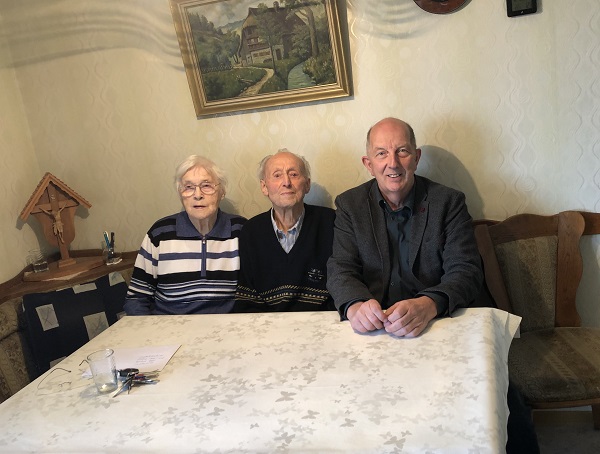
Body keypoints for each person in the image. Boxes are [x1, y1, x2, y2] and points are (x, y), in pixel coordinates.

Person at [327, 117, 539, 453]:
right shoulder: (350, 205)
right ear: (368, 164)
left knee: (500, 403)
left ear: (417, 156)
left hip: (444, 322)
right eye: (381, 154)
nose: (392, 163)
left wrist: (430, 304)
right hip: (380, 332)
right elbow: (340, 268)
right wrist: (354, 303)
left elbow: (466, 271)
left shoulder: (448, 201)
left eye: (402, 152)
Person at [124, 155, 246, 315]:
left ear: (221, 192)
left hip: (226, 330)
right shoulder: (160, 233)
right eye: (188, 187)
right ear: (180, 193)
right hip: (169, 330)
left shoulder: (241, 230)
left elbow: (256, 293)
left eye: (206, 186)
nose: (198, 195)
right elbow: (137, 298)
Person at [233, 149, 335, 312]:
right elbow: (247, 300)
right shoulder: (251, 231)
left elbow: (343, 286)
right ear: (264, 187)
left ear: (307, 184)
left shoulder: (332, 223)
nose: (286, 182)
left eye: (294, 174)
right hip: (268, 328)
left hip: (322, 323)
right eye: (277, 175)